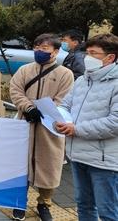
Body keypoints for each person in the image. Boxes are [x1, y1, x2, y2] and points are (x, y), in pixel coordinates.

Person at [9, 33, 74, 221]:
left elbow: (64, 99)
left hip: (51, 128)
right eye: (36, 47)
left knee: (50, 167)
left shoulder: (65, 74)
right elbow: (15, 90)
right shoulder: (25, 70)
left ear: (55, 50)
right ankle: (19, 202)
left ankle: (44, 203)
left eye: (44, 48)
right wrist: (28, 108)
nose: (39, 51)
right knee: (21, 166)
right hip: (25, 124)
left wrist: (44, 112)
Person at [55, 33, 118, 221]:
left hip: (104, 161)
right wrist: (58, 116)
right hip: (78, 155)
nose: (87, 58)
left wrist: (76, 129)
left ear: (110, 57)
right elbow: (66, 105)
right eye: (87, 53)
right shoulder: (83, 80)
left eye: (93, 53)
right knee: (84, 205)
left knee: (108, 211)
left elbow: (115, 122)